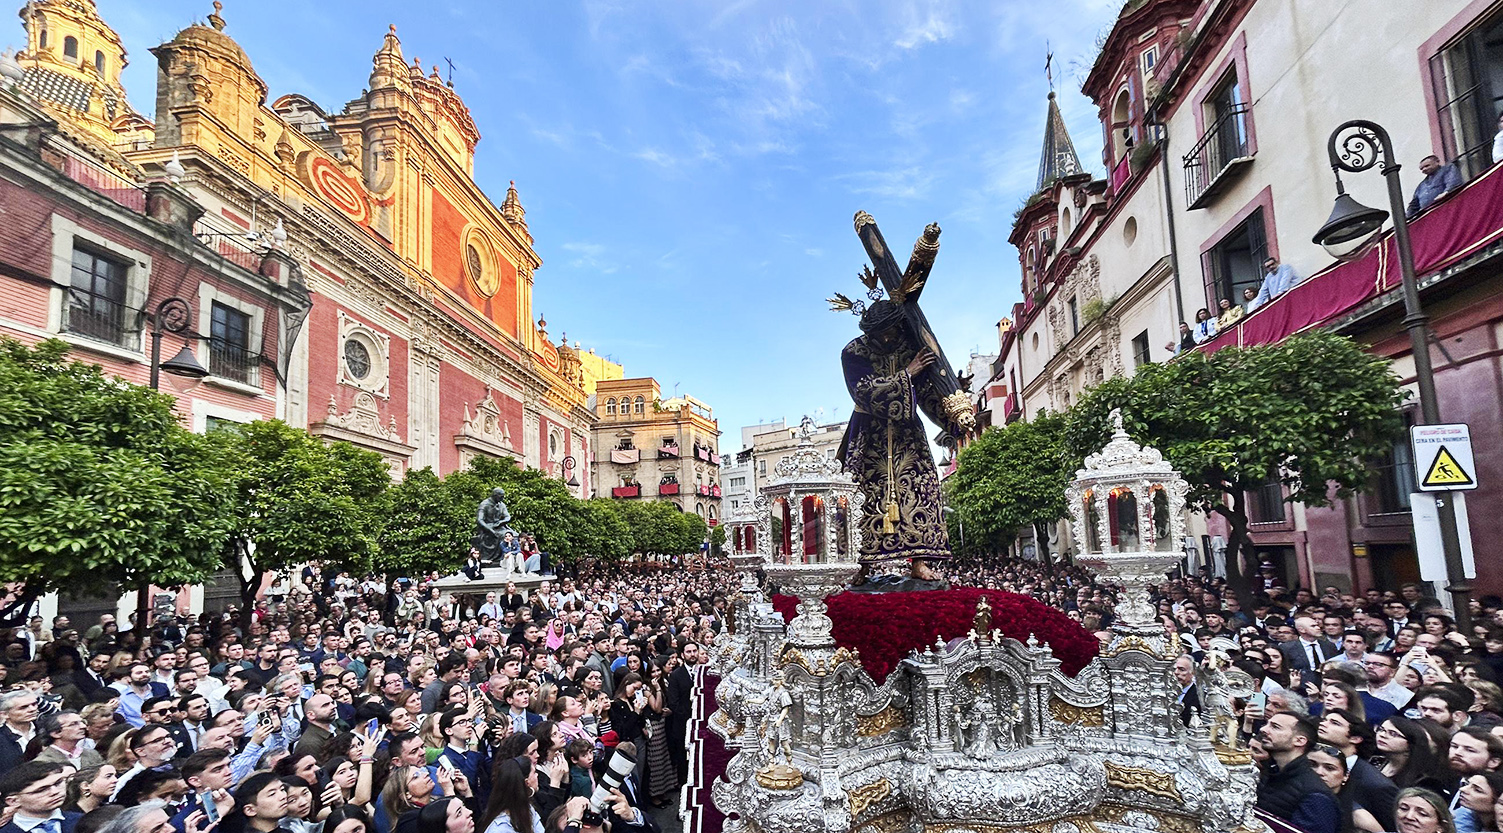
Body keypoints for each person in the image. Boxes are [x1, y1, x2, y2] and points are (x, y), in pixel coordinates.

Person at [836, 298, 969, 569]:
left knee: (920, 490)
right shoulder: (853, 352)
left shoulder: (912, 348)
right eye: (879, 332)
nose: (886, 337)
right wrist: (907, 374)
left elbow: (928, 394)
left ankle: (920, 563)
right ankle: (859, 566)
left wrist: (953, 408)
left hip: (908, 435)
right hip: (867, 435)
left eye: (890, 330)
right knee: (861, 496)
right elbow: (863, 390)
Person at [1256, 713, 1341, 833]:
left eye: (1275, 727)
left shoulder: (1315, 795)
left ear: (1300, 741)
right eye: (1266, 724)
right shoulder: (1268, 773)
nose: (1263, 729)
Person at [0, 761, 81, 833]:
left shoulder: (83, 821)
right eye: (41, 790)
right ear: (13, 801)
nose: (55, 792)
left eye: (58, 783)